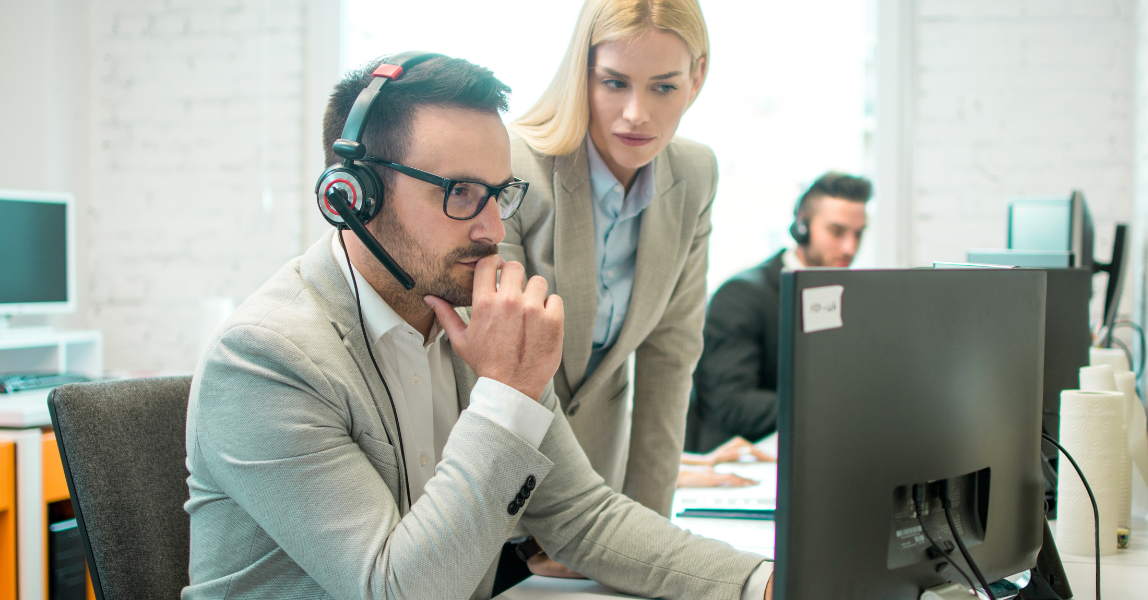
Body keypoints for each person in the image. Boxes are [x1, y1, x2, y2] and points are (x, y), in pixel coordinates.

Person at [183, 54, 773, 600]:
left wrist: (762, 583)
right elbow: (395, 590)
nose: (492, 227)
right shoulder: (264, 359)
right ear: (354, 196)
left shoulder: (474, 319)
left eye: (499, 192)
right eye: (460, 192)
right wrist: (507, 393)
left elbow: (582, 517)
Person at [503, 0, 711, 524]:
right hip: (501, 485)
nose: (637, 113)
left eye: (664, 86)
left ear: (697, 77)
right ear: (582, 76)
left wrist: (647, 534)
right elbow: (496, 364)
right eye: (614, 83)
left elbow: (671, 358)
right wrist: (559, 525)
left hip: (601, 481)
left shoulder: (695, 174)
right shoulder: (515, 165)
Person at [685, 172, 872, 453]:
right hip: (742, 459)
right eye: (837, 231)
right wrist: (832, 412)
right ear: (802, 226)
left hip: (815, 451)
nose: (850, 247)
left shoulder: (851, 297)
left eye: (858, 234)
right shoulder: (741, 295)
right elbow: (731, 403)